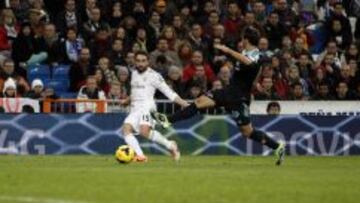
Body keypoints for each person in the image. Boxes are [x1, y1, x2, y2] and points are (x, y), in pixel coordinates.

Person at [151, 28, 285, 165]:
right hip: (230, 92)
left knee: (247, 131)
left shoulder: (255, 54)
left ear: (246, 39)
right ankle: (168, 120)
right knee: (199, 102)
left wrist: (228, 51)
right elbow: (254, 75)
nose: (241, 40)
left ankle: (277, 146)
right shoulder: (246, 52)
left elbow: (249, 63)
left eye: (243, 37)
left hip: (238, 97)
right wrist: (257, 86)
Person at [121, 51, 189, 162]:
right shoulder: (133, 73)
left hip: (147, 106)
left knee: (143, 131)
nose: (140, 64)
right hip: (135, 108)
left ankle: (167, 146)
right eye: (138, 61)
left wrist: (184, 104)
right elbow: (135, 91)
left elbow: (169, 93)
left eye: (143, 61)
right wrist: (127, 101)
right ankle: (143, 155)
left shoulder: (154, 76)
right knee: (126, 130)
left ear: (148, 61)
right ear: (135, 61)